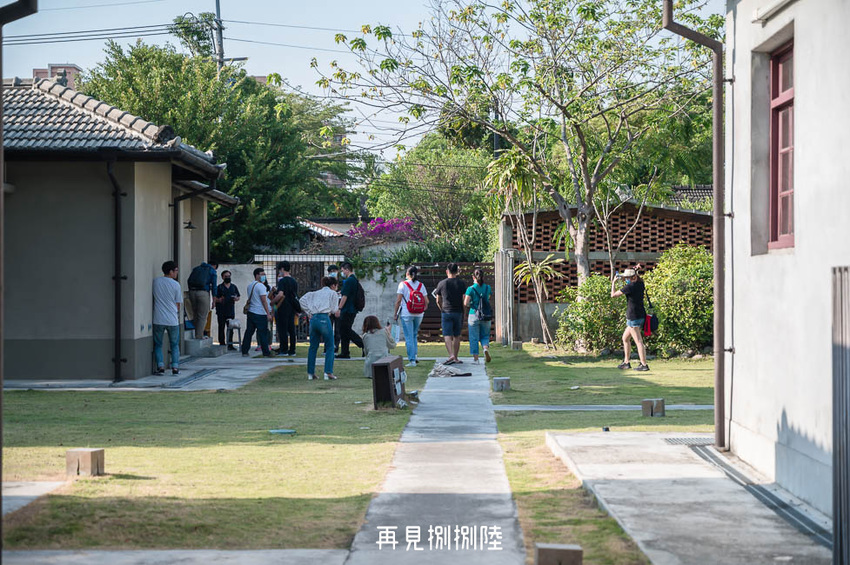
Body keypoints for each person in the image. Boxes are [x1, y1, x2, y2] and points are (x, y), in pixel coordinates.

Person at [300, 276, 341, 380]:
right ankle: (328, 372)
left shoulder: (314, 293)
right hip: (324, 318)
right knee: (330, 346)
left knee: (313, 347)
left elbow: (301, 300)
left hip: (313, 319)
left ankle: (310, 373)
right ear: (333, 285)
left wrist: (309, 311)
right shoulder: (333, 293)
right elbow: (334, 309)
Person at [611, 266, 650, 371]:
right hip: (640, 315)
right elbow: (635, 278)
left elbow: (613, 295)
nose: (626, 279)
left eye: (627, 278)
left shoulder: (630, 287)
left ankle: (644, 364)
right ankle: (626, 362)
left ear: (633, 277)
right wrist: (634, 269)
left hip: (633, 317)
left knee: (638, 341)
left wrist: (614, 282)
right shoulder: (640, 284)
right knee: (625, 338)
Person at [393, 266, 429, 367]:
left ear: (407, 274)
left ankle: (412, 360)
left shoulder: (402, 284)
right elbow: (427, 301)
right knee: (414, 335)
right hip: (419, 314)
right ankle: (415, 355)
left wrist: (395, 314)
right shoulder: (421, 285)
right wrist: (423, 309)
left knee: (408, 337)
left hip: (406, 313)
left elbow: (398, 301)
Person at [152, 261, 182, 375]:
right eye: (176, 271)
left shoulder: (156, 282)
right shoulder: (176, 285)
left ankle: (160, 365)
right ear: (170, 271)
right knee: (174, 345)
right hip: (172, 319)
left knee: (158, 344)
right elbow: (178, 304)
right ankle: (175, 367)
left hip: (158, 318)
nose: (177, 273)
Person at [434, 263, 467, 365]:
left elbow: (437, 300)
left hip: (446, 311)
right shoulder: (461, 283)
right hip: (458, 312)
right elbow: (464, 299)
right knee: (457, 335)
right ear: (457, 271)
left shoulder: (442, 283)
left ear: (447, 271)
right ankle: (456, 357)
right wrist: (464, 311)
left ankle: (451, 354)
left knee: (447, 334)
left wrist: (442, 309)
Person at [240, 267, 274, 357]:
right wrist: (268, 313)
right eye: (262, 274)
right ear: (257, 275)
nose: (264, 276)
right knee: (263, 333)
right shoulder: (261, 286)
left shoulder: (250, 285)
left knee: (249, 332)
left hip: (251, 312)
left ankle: (244, 350)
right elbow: (264, 301)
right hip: (260, 313)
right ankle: (266, 352)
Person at [464, 268, 492, 364]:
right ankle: (485, 349)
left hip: (473, 314)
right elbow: (488, 299)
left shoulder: (470, 289)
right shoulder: (488, 288)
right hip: (486, 315)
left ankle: (476, 359)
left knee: (474, 337)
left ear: (473, 277)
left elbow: (466, 303)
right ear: (483, 277)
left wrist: (472, 303)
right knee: (485, 335)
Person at [336, 261, 364, 359]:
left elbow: (345, 296)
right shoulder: (354, 280)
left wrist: (339, 308)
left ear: (347, 270)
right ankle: (345, 352)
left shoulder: (349, 281)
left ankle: (363, 344)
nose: (342, 272)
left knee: (345, 330)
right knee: (344, 331)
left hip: (347, 309)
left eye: (343, 270)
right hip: (352, 309)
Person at [273, 261, 299, 356]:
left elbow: (280, 294)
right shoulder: (294, 281)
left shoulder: (282, 281)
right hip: (291, 308)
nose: (279, 272)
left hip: (282, 307)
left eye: (279, 270)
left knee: (282, 329)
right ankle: (292, 350)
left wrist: (273, 302)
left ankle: (283, 350)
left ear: (282, 269)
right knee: (291, 330)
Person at [187, 259, 218, 339]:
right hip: (203, 293)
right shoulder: (212, 271)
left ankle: (195, 333)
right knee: (202, 316)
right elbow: (214, 287)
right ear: (214, 266)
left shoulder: (196, 269)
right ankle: (199, 336)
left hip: (192, 292)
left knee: (195, 314)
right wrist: (214, 301)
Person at [214, 270, 240, 350]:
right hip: (221, 310)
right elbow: (215, 298)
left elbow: (238, 296)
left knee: (231, 328)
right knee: (221, 327)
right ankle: (222, 343)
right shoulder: (219, 287)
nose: (228, 278)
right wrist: (220, 300)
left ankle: (230, 344)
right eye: (226, 276)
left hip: (230, 310)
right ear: (222, 277)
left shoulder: (233, 287)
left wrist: (236, 298)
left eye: (229, 276)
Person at [326, 264, 341, 354]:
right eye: (330, 272)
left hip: (338, 306)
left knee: (337, 329)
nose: (332, 273)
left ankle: (336, 346)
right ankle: (327, 347)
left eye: (334, 271)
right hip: (329, 307)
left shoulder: (342, 282)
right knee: (328, 329)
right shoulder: (327, 283)